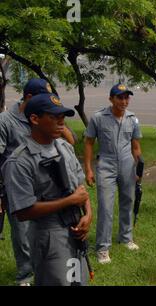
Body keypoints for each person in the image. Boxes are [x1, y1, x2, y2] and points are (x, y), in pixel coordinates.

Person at [1, 93, 92, 286]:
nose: (61, 123)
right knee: (59, 282)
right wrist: (69, 201)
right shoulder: (20, 161)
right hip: (48, 235)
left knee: (78, 281)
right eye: (54, 117)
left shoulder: (64, 148)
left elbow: (80, 189)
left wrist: (88, 215)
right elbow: (23, 211)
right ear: (34, 119)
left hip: (75, 228)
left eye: (63, 118)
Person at [84, 83, 142, 264]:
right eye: (120, 97)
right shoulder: (99, 118)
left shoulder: (133, 119)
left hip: (127, 164)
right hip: (106, 164)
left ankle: (126, 237)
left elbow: (136, 146)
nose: (124, 101)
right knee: (106, 207)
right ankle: (102, 248)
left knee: (128, 201)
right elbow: (88, 142)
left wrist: (139, 168)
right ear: (111, 99)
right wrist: (88, 168)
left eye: (127, 97)